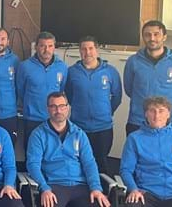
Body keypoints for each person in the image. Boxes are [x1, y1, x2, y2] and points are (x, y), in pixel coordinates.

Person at [26, 92, 110, 207]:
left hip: (81, 186)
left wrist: (96, 188)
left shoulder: (79, 134)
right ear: (48, 109)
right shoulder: (38, 135)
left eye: (62, 106)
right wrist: (44, 188)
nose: (58, 111)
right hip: (54, 186)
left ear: (68, 108)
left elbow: (89, 163)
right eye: (53, 107)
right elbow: (33, 165)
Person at [120, 96, 172, 207]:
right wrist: (133, 189)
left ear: (168, 114)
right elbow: (126, 170)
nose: (157, 115)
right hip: (146, 194)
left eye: (161, 111)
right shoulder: (134, 139)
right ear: (146, 114)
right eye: (152, 111)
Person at [65, 36, 122, 175]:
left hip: (103, 127)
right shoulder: (72, 72)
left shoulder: (110, 71)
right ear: (80, 51)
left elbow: (117, 97)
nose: (87, 52)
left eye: (91, 48)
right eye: (83, 49)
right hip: (79, 126)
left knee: (101, 164)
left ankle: (101, 194)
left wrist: (106, 112)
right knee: (78, 162)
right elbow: (69, 95)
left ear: (97, 50)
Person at [124, 20, 172, 135]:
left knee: (165, 153)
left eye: (156, 34)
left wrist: (164, 112)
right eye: (147, 35)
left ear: (164, 37)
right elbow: (129, 90)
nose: (152, 38)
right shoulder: (133, 61)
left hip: (167, 123)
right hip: (137, 121)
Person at [16, 31, 67, 149]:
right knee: (32, 154)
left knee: (52, 154)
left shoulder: (62, 67)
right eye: (42, 46)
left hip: (54, 118)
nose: (46, 49)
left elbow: (61, 90)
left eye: (50, 46)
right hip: (32, 119)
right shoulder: (25, 66)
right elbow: (21, 90)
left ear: (54, 47)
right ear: (36, 47)